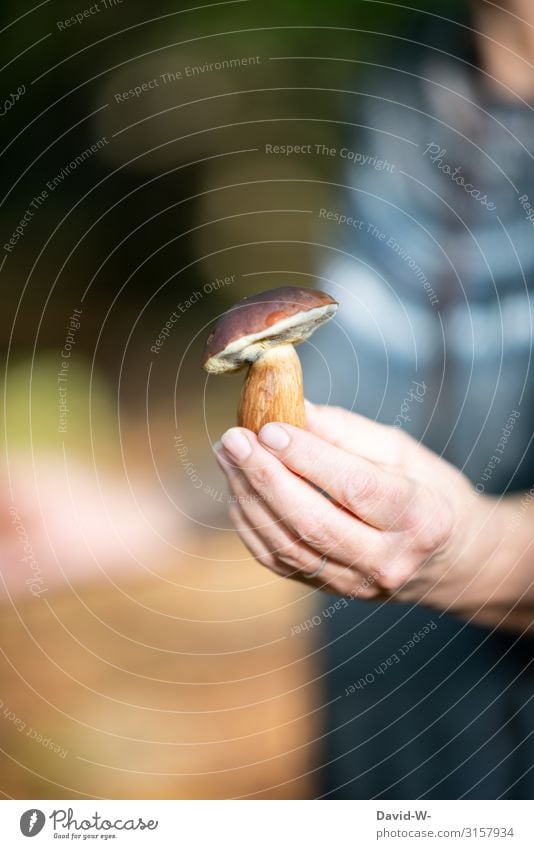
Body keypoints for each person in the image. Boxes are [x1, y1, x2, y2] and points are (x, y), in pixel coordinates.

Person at [215, 0, 534, 798]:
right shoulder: (409, 75)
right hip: (382, 742)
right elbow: (356, 382)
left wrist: (483, 554)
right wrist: (122, 512)